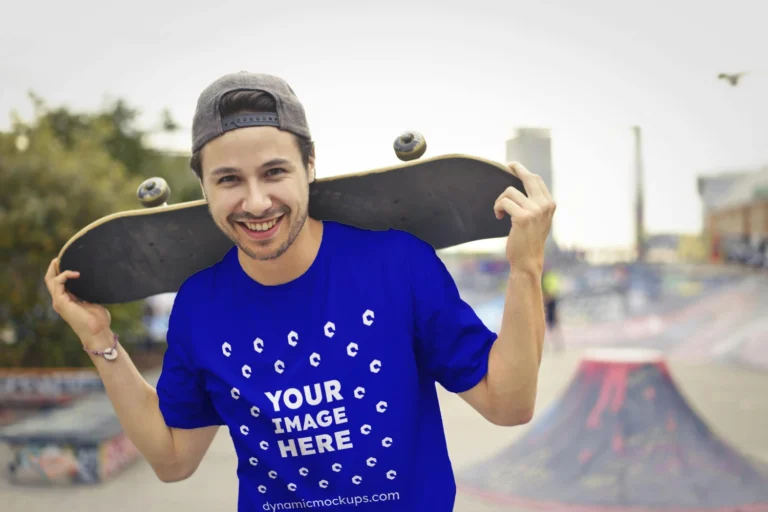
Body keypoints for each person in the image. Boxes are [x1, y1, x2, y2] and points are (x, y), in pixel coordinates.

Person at [45, 71, 556, 511]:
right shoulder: (199, 307)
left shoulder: (397, 266)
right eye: (228, 180)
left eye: (275, 172)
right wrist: (101, 342)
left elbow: (508, 405)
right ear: (203, 187)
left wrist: (525, 268)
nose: (256, 201)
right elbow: (173, 459)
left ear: (310, 165)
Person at [542, 266, 564, 351]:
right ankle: (551, 345)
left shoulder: (548, 277)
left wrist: (546, 297)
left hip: (549, 302)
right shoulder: (544, 277)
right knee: (548, 324)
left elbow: (552, 292)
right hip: (546, 302)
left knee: (552, 324)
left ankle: (557, 344)